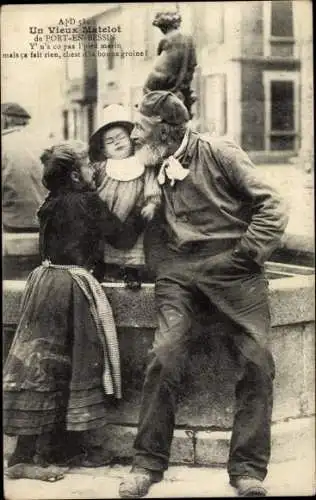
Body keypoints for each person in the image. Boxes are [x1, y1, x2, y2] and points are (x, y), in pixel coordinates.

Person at [118, 91, 289, 498]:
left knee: (257, 358)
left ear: (163, 129)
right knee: (164, 354)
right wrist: (161, 266)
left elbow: (273, 207)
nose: (134, 136)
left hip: (235, 269)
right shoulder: (150, 161)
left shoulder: (220, 152)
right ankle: (146, 464)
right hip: (179, 273)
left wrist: (246, 256)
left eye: (140, 128)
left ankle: (248, 470)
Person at [3, 140, 146, 482]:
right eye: (86, 165)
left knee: (41, 364)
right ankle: (29, 458)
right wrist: (146, 207)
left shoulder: (51, 201)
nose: (93, 169)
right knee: (71, 365)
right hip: (71, 288)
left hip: (45, 281)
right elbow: (122, 238)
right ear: (75, 175)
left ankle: (38, 452)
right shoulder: (86, 201)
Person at [89, 104, 161, 288]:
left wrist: (151, 204)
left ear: (131, 140)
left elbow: (152, 186)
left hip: (134, 216)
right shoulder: (101, 168)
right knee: (103, 244)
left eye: (121, 138)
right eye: (110, 141)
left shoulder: (142, 165)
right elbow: (90, 185)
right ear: (104, 150)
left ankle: (131, 273)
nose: (117, 143)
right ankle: (102, 269)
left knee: (135, 246)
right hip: (108, 216)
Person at [2, 102, 48, 232]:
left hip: (13, 223)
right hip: (47, 222)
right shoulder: (44, 142)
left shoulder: (4, 143)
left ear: (6, 119)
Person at [143, 11, 197, 118]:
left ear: (164, 26)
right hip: (181, 85)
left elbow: (161, 68)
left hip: (164, 83)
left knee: (147, 92)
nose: (161, 30)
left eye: (160, 28)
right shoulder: (189, 39)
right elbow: (193, 64)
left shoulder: (166, 40)